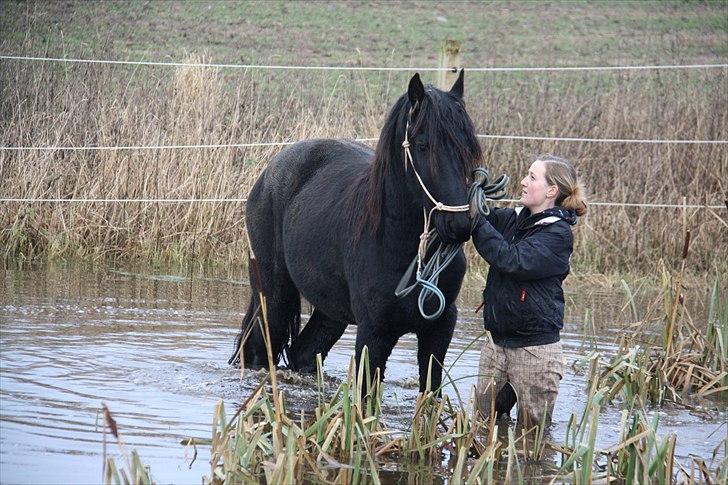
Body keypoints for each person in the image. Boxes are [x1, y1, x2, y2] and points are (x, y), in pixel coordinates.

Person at [471, 154, 587, 427]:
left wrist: (476, 221)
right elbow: (482, 215)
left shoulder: (557, 235)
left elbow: (512, 260)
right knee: (481, 427)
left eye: (532, 177)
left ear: (551, 191)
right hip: (496, 345)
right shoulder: (515, 219)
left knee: (533, 440)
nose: (523, 181)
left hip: (535, 354)